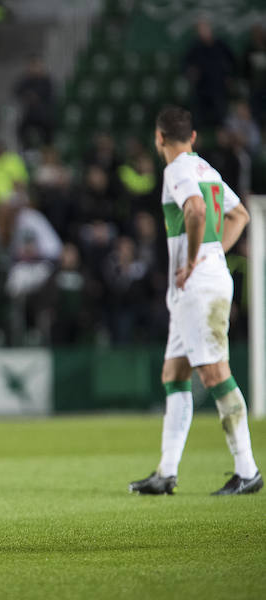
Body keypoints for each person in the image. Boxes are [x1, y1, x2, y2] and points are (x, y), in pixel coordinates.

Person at [129, 106, 261, 496]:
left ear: (159, 138)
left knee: (214, 373)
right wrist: (214, 252)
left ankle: (248, 470)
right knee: (175, 373)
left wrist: (192, 261)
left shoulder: (177, 170)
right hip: (201, 284)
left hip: (197, 287)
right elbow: (239, 215)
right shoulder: (208, 171)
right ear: (194, 137)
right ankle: (166, 473)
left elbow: (196, 209)